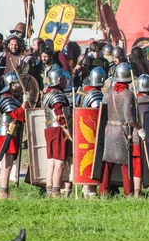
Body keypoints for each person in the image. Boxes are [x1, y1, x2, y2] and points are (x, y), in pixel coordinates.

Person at [99, 63, 146, 197]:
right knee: (125, 164)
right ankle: (128, 192)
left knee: (108, 164)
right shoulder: (128, 94)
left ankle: (103, 192)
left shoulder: (108, 92)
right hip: (122, 131)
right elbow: (129, 118)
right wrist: (139, 128)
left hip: (109, 129)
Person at [0, 72, 28, 199]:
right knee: (7, 165)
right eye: (17, 83)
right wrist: (24, 103)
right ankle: (3, 192)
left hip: (6, 134)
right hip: (6, 134)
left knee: (5, 164)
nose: (19, 85)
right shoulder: (7, 99)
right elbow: (16, 115)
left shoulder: (9, 97)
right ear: (11, 84)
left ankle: (3, 191)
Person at [41, 69, 72, 198]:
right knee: (59, 163)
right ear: (59, 80)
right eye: (63, 79)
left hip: (49, 130)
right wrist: (68, 133)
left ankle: (50, 192)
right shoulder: (57, 95)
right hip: (58, 130)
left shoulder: (47, 94)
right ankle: (55, 192)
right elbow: (60, 116)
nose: (65, 81)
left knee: (51, 163)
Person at [78, 67, 106, 198]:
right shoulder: (96, 95)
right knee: (93, 160)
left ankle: (85, 189)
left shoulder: (84, 93)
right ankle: (91, 189)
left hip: (85, 134)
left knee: (87, 160)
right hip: (94, 133)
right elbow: (98, 115)